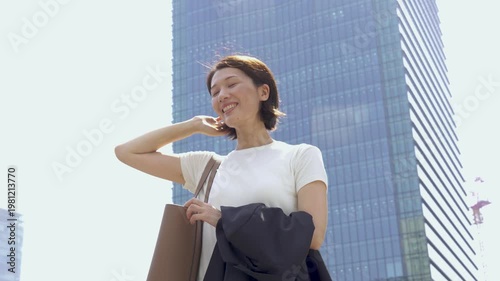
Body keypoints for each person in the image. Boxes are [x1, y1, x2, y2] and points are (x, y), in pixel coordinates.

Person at [115, 55, 329, 280]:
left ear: (263, 92)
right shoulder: (207, 167)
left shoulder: (301, 156)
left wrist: (223, 220)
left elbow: (313, 235)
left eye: (232, 84)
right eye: (214, 92)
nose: (222, 95)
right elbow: (127, 152)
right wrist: (193, 125)